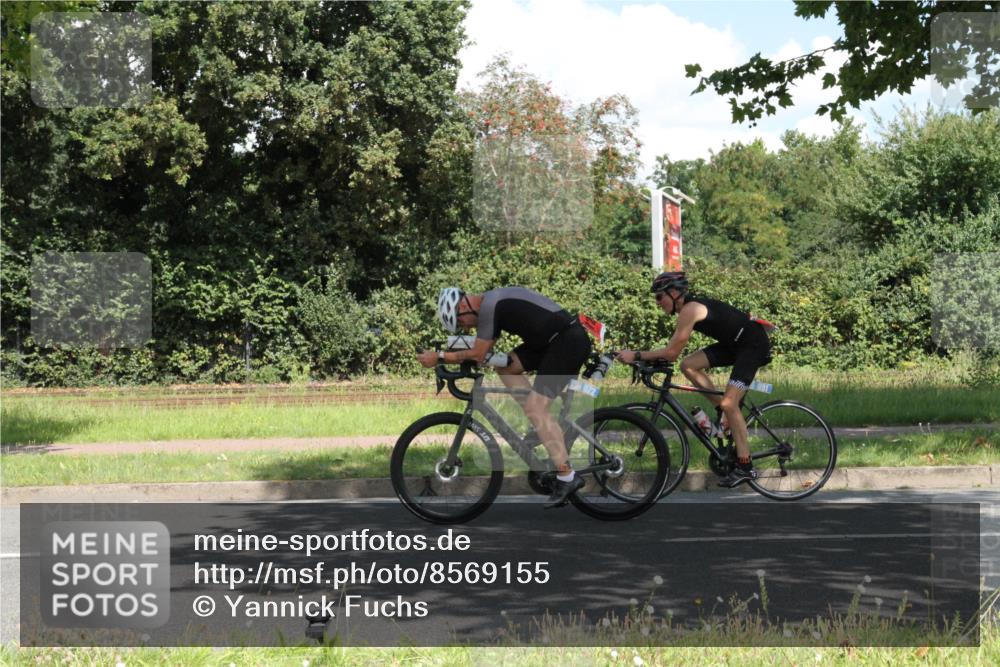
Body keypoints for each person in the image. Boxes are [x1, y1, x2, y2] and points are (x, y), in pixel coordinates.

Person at [417, 286, 593, 507]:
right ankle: (542, 423)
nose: (468, 327)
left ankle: (567, 477)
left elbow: (479, 353)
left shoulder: (491, 305)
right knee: (507, 367)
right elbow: (484, 353)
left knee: (535, 407)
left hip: (567, 342)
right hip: (549, 343)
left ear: (463, 306)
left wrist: (440, 357)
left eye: (462, 322)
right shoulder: (492, 305)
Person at [615, 271, 773, 487]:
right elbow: (676, 356)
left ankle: (745, 466)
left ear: (673, 293)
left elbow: (671, 353)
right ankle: (723, 412)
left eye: (659, 297)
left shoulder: (690, 309)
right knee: (688, 365)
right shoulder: (687, 309)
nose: (657, 303)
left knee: (730, 402)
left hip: (752, 345)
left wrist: (637, 355)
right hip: (734, 345)